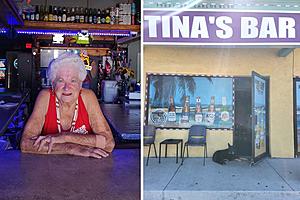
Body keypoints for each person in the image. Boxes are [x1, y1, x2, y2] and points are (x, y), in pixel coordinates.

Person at [21, 52, 115, 158]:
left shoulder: (88, 97)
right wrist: (71, 148)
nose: (66, 87)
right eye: (60, 81)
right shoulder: (45, 97)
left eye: (73, 81)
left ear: (80, 85)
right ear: (53, 84)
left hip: (86, 169)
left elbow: (108, 143)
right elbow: (26, 143)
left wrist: (65, 137)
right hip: (48, 168)